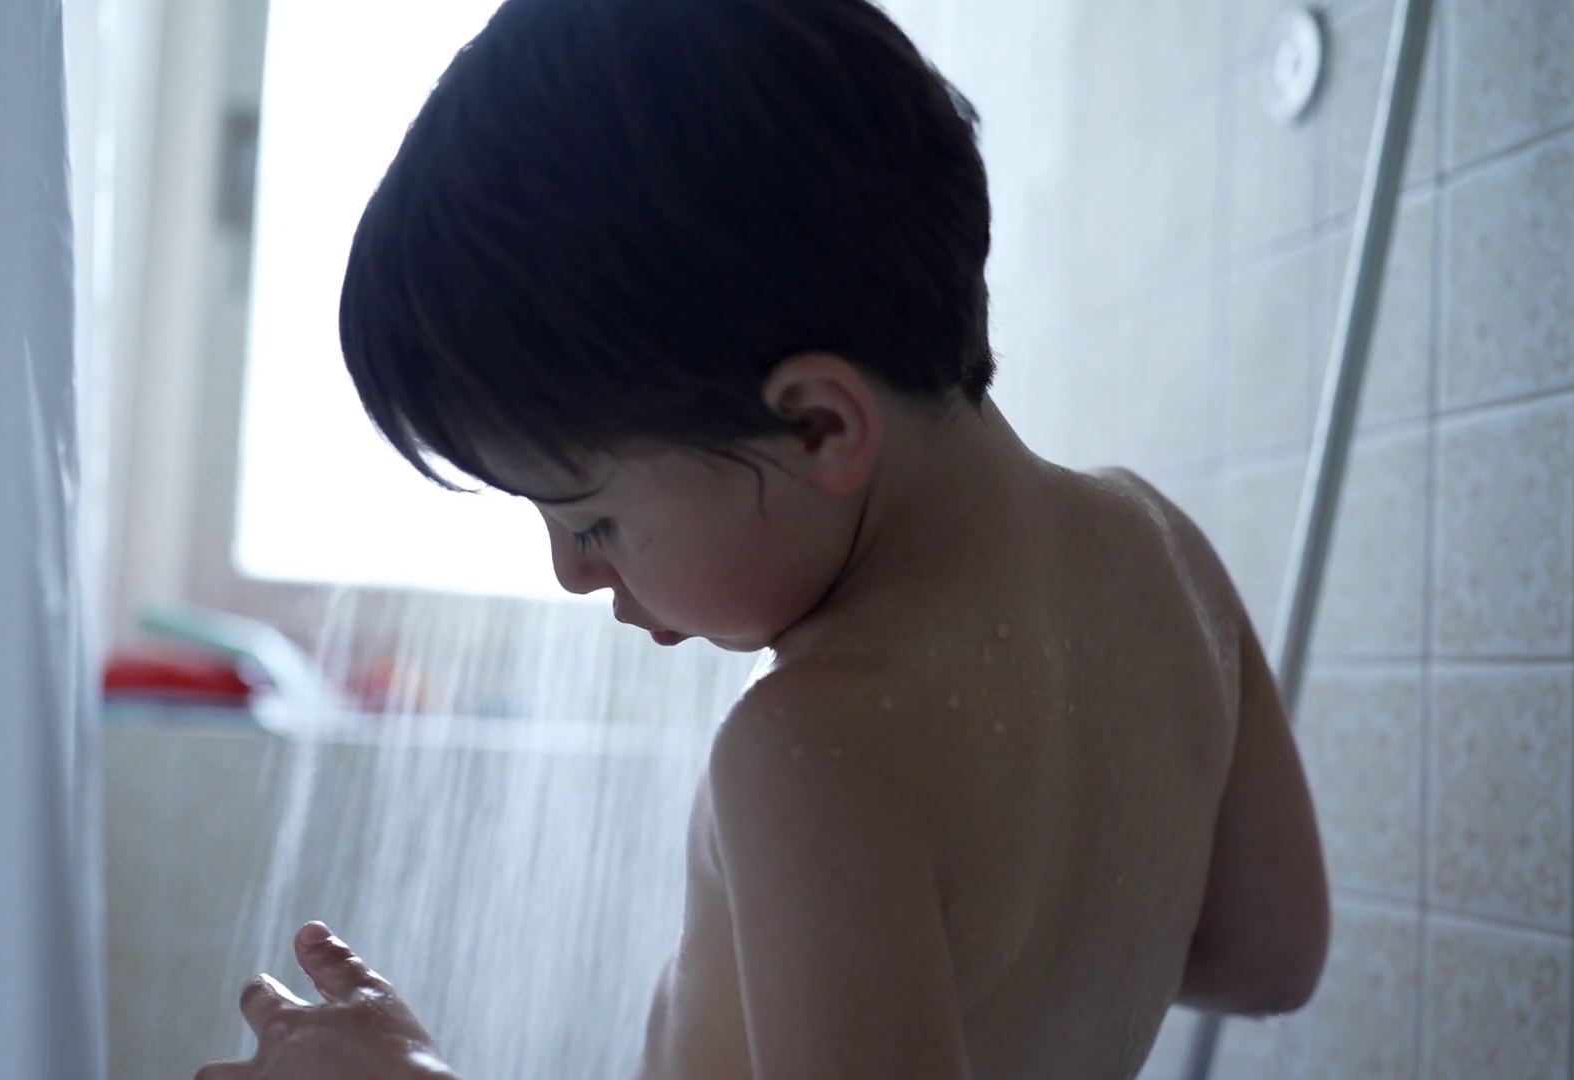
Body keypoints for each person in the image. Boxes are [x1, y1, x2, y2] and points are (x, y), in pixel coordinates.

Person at [196, 0, 1328, 1076]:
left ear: (817, 425)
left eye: (591, 518)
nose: (571, 572)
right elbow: (1269, 957)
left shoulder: (814, 748)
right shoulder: (1162, 550)